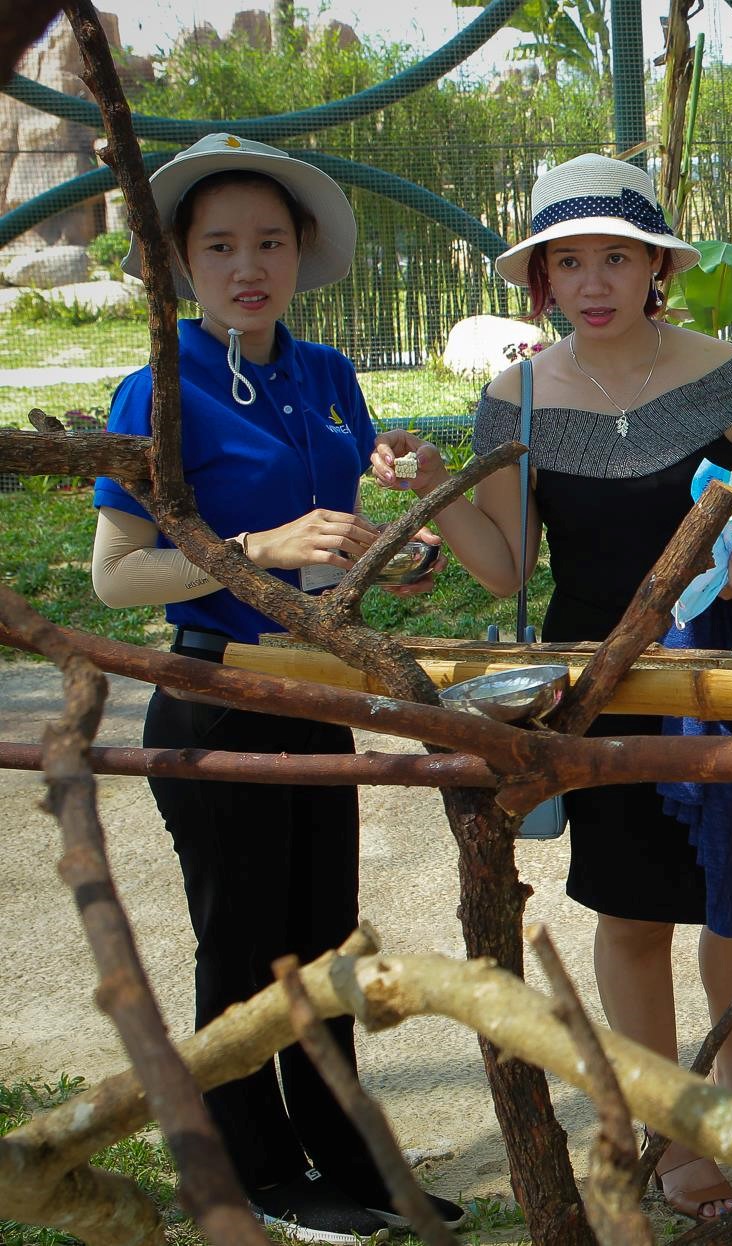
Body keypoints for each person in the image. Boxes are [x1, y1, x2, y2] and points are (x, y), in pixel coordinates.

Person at [373, 154, 732, 1223]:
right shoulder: (513, 396)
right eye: (570, 261)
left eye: (616, 257)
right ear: (541, 280)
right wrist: (434, 491)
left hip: (726, 671)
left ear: (655, 267)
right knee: (630, 907)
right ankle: (672, 1136)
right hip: (590, 682)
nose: (594, 280)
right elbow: (508, 567)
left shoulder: (726, 371)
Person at [90, 133, 462, 1240]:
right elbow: (119, 578)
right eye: (218, 246)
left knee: (320, 929)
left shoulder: (327, 375)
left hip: (316, 689)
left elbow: (332, 555)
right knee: (243, 937)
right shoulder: (154, 389)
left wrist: (403, 544)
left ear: (300, 252)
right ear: (180, 264)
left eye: (267, 242)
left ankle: (347, 1153)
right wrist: (255, 541)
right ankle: (258, 1166)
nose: (245, 266)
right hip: (216, 694)